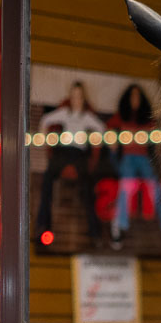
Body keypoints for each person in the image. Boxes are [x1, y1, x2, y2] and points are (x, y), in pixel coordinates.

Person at [106, 83, 161, 252]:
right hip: (128, 158)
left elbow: (159, 136)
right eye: (132, 96)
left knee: (156, 191)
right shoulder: (121, 116)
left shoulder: (148, 119)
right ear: (127, 99)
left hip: (144, 158)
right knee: (126, 188)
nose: (135, 99)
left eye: (138, 96)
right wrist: (112, 140)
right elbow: (108, 127)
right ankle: (118, 228)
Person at [34, 80, 106, 246]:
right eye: (73, 96)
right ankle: (43, 228)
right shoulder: (65, 113)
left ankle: (95, 234)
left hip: (79, 154)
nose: (76, 100)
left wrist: (94, 140)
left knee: (88, 186)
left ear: (83, 98)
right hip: (63, 152)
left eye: (79, 97)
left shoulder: (87, 116)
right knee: (47, 179)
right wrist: (43, 136)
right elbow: (45, 120)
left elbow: (101, 129)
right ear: (70, 98)